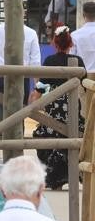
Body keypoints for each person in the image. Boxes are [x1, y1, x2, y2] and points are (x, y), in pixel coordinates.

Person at [32, 27, 87, 190]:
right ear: (70, 43)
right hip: (72, 112)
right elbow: (85, 85)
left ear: (55, 44)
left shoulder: (49, 61)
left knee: (40, 135)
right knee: (77, 136)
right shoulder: (78, 61)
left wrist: (33, 105)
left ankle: (53, 176)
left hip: (54, 112)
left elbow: (40, 88)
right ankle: (74, 172)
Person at [69, 1, 95, 70]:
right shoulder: (74, 35)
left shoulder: (74, 35)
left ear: (83, 15)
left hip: (82, 76)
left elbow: (72, 58)